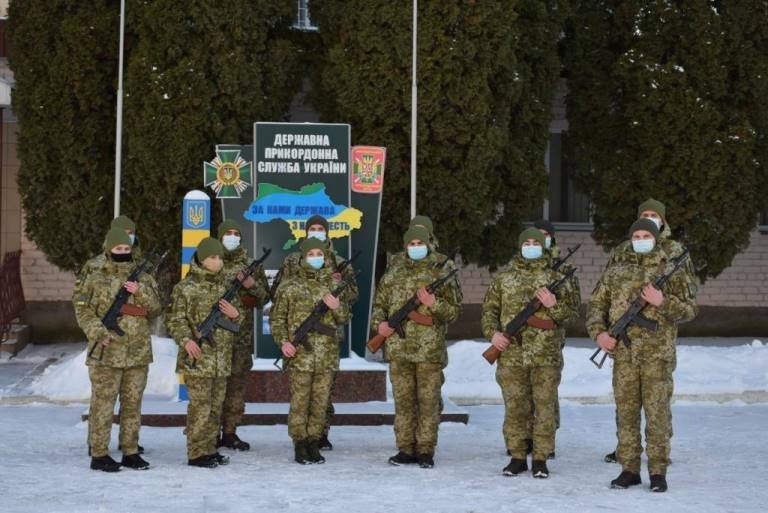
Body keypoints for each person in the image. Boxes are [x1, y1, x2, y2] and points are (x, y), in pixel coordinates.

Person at [587, 218, 697, 492]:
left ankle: (658, 472)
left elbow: (690, 310)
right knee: (625, 414)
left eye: (646, 234)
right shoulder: (617, 271)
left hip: (656, 357)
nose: (640, 238)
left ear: (656, 238)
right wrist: (600, 334)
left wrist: (663, 302)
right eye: (636, 234)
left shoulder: (671, 269)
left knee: (657, 415)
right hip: (623, 355)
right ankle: (629, 470)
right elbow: (596, 304)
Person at [481, 228, 579, 478]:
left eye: (537, 242)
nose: (532, 245)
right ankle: (517, 457)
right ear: (519, 246)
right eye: (527, 242)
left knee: (544, 408)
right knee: (515, 407)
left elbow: (572, 316)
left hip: (545, 355)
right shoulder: (504, 279)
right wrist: (493, 334)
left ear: (544, 246)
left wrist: (553, 306)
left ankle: (540, 458)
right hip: (511, 354)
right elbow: (489, 311)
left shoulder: (558, 277)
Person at [371, 226, 461, 469]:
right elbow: (380, 304)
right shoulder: (394, 270)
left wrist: (433, 304)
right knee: (403, 401)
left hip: (429, 351)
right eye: (411, 243)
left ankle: (425, 450)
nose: (415, 247)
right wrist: (380, 326)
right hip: (399, 349)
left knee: (428, 401)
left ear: (429, 242)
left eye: (420, 242)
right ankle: (405, 448)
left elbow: (453, 312)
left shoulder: (442, 269)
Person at [73, 228, 161, 472]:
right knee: (103, 404)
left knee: (133, 404)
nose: (123, 252)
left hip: (138, 352)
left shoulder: (143, 277)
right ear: (108, 249)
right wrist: (99, 333)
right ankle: (99, 453)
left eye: (126, 249)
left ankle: (130, 451)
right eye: (118, 249)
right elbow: (82, 309)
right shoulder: (95, 275)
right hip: (107, 351)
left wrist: (139, 292)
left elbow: (155, 310)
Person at [271, 214, 358, 450]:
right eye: (313, 229)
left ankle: (318, 436)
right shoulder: (291, 270)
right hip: (301, 347)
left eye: (321, 228)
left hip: (327, 345)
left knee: (322, 398)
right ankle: (302, 442)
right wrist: (284, 341)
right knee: (301, 399)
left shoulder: (337, 266)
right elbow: (278, 307)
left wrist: (337, 300)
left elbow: (349, 303)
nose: (316, 257)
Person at [167, 238, 242, 468]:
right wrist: (186, 340)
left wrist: (235, 314)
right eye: (212, 257)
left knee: (215, 406)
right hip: (198, 357)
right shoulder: (185, 288)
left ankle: (210, 448)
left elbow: (238, 323)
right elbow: (175, 319)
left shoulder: (225, 287)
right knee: (200, 407)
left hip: (220, 359)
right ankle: (196, 452)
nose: (217, 262)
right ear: (201, 258)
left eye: (219, 257)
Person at [215, 219, 270, 451]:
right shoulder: (210, 261)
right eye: (227, 233)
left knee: (236, 388)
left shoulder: (250, 265)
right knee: (215, 388)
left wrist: (250, 284)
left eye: (236, 233)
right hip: (215, 339)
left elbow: (263, 298)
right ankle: (209, 432)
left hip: (241, 337)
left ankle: (230, 432)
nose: (232, 237)